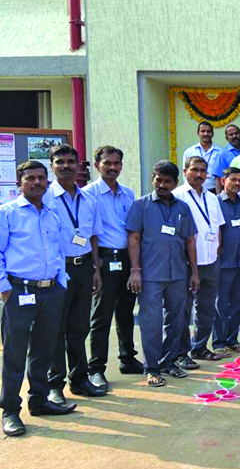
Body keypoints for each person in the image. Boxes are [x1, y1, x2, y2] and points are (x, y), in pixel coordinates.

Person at [0, 161, 74, 436]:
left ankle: (40, 400)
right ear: (19, 183)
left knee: (44, 349)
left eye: (41, 178)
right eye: (30, 178)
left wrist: (61, 281)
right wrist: (4, 288)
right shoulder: (7, 213)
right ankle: (10, 410)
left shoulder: (52, 215)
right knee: (15, 354)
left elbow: (60, 251)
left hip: (51, 291)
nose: (37, 182)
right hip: (20, 291)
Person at [41, 145, 105, 404]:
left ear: (78, 165)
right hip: (58, 269)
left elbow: (93, 237)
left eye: (70, 161)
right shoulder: (45, 198)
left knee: (79, 327)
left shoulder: (88, 199)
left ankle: (79, 379)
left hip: (84, 266)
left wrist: (96, 269)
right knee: (55, 329)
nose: (66, 166)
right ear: (52, 166)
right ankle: (54, 385)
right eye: (60, 162)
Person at [127, 161, 199, 387]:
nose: (162, 185)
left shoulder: (183, 208)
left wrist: (194, 272)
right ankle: (152, 367)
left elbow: (190, 241)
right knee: (151, 322)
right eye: (158, 180)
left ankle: (168, 362)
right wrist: (135, 271)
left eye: (168, 181)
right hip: (150, 274)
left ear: (175, 183)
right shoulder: (141, 206)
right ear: (152, 179)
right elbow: (133, 239)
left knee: (177, 321)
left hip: (178, 274)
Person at [85, 146, 143, 387]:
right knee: (101, 317)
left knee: (126, 312)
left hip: (127, 259)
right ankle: (96, 369)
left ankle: (128, 359)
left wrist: (135, 267)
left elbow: (133, 230)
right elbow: (89, 233)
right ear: (97, 165)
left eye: (116, 163)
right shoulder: (88, 194)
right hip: (104, 259)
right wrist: (95, 267)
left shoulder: (128, 194)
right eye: (107, 163)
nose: (112, 167)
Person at [173, 156, 226, 366]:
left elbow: (218, 226)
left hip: (211, 260)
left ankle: (200, 347)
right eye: (194, 169)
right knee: (183, 310)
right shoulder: (177, 196)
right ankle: (181, 352)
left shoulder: (212, 197)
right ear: (185, 171)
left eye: (203, 170)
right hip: (187, 263)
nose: (199, 174)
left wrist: (218, 249)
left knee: (207, 307)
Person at [212, 167, 240, 353]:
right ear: (223, 181)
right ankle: (219, 342)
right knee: (220, 304)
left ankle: (232, 339)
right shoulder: (215, 203)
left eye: (239, 180)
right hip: (223, 261)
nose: (237, 183)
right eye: (232, 179)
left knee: (237, 302)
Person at [182, 121, 221, 193]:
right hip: (193, 190)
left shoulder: (220, 152)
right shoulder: (189, 152)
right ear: (198, 133)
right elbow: (185, 174)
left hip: (214, 190)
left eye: (208, 131)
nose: (206, 134)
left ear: (212, 134)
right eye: (203, 131)